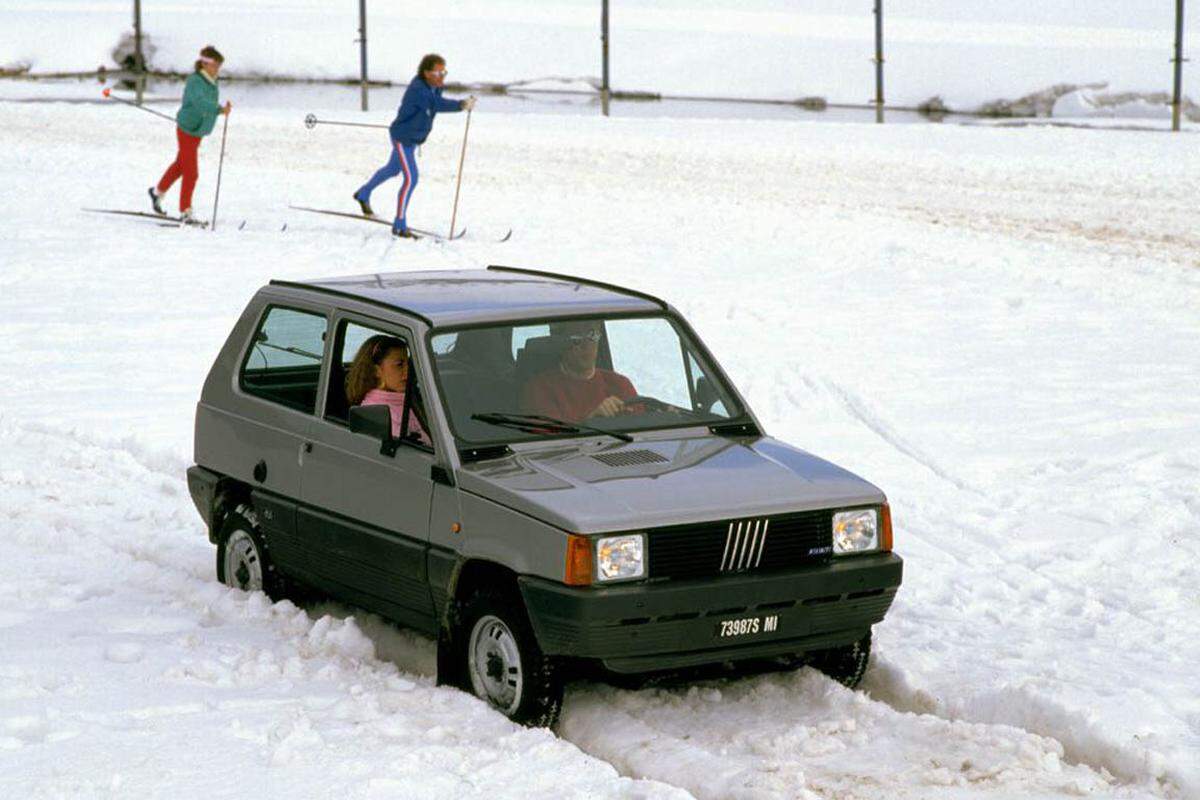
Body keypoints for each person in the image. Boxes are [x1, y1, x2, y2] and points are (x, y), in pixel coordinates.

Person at [352, 53, 476, 238]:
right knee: (411, 179)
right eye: (438, 72)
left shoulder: (435, 87)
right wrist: (461, 104)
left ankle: (363, 193)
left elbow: (436, 102)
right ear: (426, 73)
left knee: (392, 170)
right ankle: (399, 224)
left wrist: (461, 104)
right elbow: (435, 104)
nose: (442, 76)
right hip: (403, 138)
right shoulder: (418, 89)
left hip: (413, 139)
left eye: (444, 72)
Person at [148, 45, 231, 224]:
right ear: (205, 64)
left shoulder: (212, 80)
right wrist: (219, 110)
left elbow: (208, 103)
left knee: (180, 165)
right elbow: (201, 103)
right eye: (215, 66)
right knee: (191, 173)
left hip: (197, 130)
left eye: (219, 66)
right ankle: (185, 211)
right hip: (186, 129)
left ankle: (156, 193)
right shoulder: (195, 81)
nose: (218, 70)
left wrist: (221, 110)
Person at [520, 321, 638, 422]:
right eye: (577, 338)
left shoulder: (620, 384)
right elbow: (548, 442)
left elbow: (644, 426)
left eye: (591, 335)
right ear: (560, 342)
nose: (586, 344)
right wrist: (592, 420)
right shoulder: (540, 389)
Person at [345, 335, 431, 445]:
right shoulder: (373, 411)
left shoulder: (414, 399)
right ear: (377, 371)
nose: (408, 371)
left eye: (408, 363)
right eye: (399, 365)